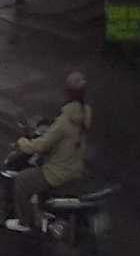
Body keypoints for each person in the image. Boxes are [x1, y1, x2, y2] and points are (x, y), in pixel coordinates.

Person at [6, 70, 93, 233]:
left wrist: (23, 142)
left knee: (22, 181)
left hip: (57, 172)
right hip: (75, 168)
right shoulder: (84, 113)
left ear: (67, 93)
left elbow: (41, 146)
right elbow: (65, 138)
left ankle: (24, 222)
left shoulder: (65, 120)